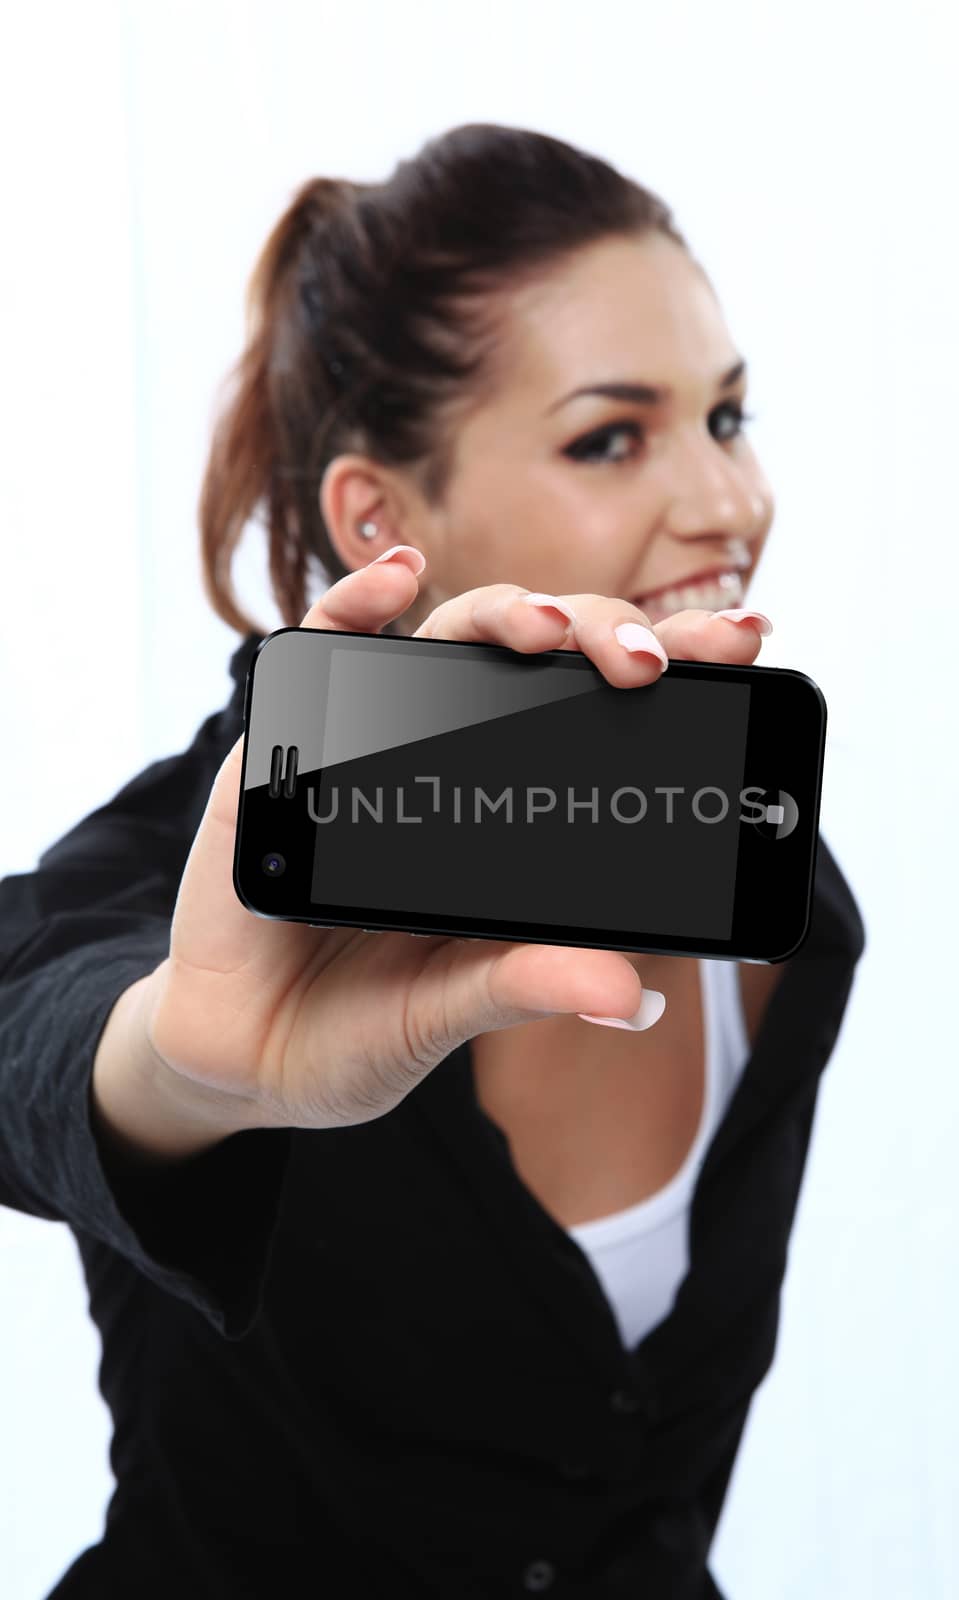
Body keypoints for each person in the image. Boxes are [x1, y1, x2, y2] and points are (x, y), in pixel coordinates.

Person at [0, 123, 865, 1598]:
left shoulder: (773, 890)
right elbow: (32, 1025)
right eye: (612, 435)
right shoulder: (196, 860)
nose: (730, 501)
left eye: (726, 416)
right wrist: (187, 1069)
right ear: (379, 520)